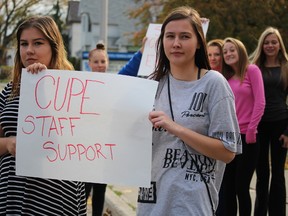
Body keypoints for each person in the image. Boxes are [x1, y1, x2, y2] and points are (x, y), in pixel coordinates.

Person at [136, 6, 241, 216]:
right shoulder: (149, 86)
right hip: (150, 206)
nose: (176, 43)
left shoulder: (214, 84)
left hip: (192, 205)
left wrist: (175, 128)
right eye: (170, 36)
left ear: (198, 43)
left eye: (184, 36)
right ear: (162, 42)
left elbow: (228, 152)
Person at [0, 16, 86, 215]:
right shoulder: (9, 91)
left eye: (38, 43)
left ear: (53, 47)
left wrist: (46, 85)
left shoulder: (73, 89)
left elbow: (77, 140)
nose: (29, 50)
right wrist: (8, 144)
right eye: (24, 44)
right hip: (12, 194)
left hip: (55, 195)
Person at [219, 37, 265, 216]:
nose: (228, 54)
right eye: (225, 52)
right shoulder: (225, 78)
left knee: (241, 187)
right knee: (228, 187)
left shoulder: (252, 70)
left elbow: (260, 102)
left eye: (232, 50)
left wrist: (252, 131)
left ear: (240, 51)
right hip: (229, 139)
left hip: (248, 137)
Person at [249, 27, 288, 216]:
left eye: (273, 42)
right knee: (262, 173)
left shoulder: (287, 66)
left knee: (278, 174)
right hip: (259, 126)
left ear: (279, 44)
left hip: (281, 124)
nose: (270, 45)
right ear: (261, 45)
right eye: (266, 42)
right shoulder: (254, 67)